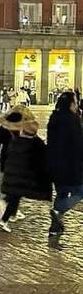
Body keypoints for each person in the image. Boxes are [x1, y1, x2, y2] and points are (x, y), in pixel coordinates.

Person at [0, 108, 51, 233]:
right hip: (23, 177)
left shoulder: (16, 141)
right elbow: (41, 161)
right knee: (14, 197)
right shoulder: (36, 144)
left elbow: (7, 154)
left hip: (11, 174)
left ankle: (10, 215)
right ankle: (4, 219)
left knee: (14, 196)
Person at [46, 91, 83, 248]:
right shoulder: (72, 120)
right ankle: (58, 210)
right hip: (71, 165)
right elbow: (78, 145)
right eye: (75, 102)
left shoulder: (54, 118)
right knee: (80, 192)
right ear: (70, 104)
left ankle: (55, 227)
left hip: (55, 165)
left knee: (61, 192)